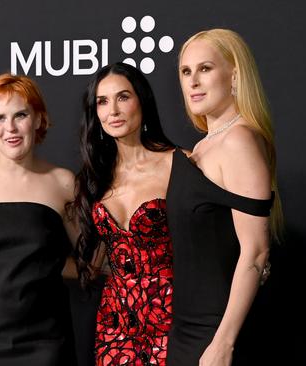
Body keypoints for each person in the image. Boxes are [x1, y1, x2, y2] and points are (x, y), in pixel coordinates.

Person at [166, 28, 283, 366]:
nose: (193, 82)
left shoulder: (239, 140)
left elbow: (257, 251)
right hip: (189, 329)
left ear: (234, 75)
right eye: (186, 72)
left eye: (205, 69)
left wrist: (224, 344)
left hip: (216, 333)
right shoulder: (205, 144)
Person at [0, 73, 77, 365]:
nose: (10, 128)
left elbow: (91, 261)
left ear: (37, 118)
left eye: (20, 114)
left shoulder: (63, 182)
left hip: (44, 343)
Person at [72, 62, 175, 365]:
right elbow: (95, 261)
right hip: (115, 323)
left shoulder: (178, 164)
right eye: (102, 101)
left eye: (123, 97)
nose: (112, 110)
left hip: (171, 316)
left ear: (142, 101)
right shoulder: (95, 178)